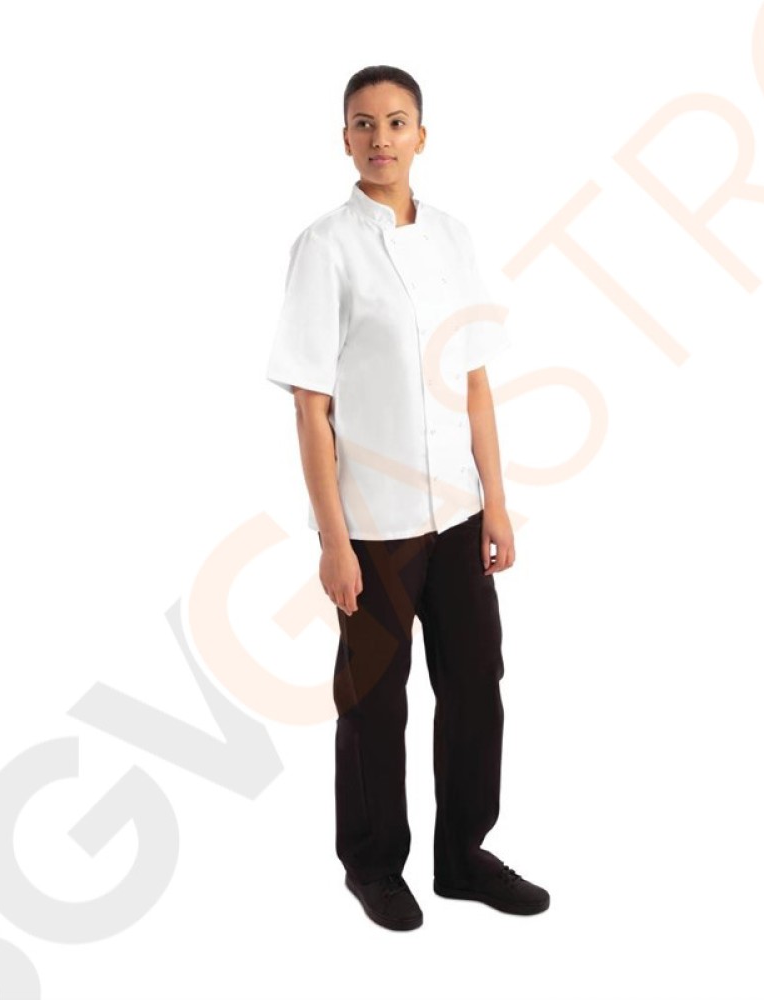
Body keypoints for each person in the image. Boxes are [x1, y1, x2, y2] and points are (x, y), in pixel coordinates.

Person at [265, 64, 549, 931]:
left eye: (396, 122)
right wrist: (332, 540)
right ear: (344, 139)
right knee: (374, 705)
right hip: (375, 528)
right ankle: (374, 866)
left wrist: (496, 501)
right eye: (364, 123)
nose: (381, 138)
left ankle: (463, 857)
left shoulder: (454, 238)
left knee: (476, 689)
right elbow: (311, 407)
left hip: (457, 515)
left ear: (422, 135)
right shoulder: (325, 248)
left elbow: (476, 382)